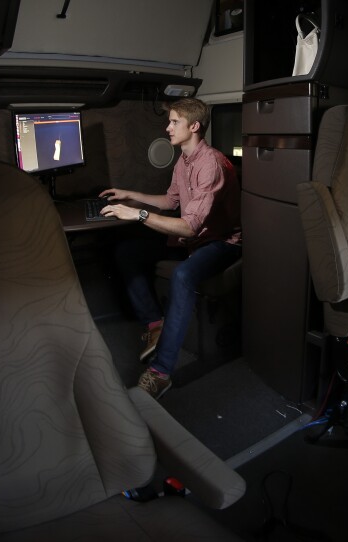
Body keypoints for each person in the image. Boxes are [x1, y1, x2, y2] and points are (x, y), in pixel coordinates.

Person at [99, 98, 242, 400]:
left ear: (194, 126)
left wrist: (137, 214)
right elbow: (170, 202)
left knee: (181, 276)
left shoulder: (212, 164)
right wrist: (130, 195)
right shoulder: (183, 160)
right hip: (194, 239)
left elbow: (190, 226)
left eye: (174, 121)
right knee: (126, 252)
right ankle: (154, 323)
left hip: (221, 243)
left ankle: (161, 372)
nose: (168, 127)